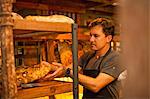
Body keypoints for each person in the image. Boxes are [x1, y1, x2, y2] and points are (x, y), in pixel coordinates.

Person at [44, 18, 126, 99]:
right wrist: (49, 67)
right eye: (91, 35)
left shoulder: (115, 58)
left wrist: (68, 72)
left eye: (96, 36)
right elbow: (66, 69)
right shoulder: (87, 56)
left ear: (108, 38)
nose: (91, 40)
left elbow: (96, 85)